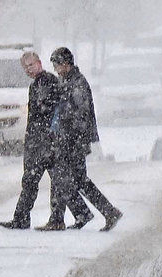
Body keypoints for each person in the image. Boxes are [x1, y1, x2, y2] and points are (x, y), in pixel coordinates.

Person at [43, 47, 123, 232]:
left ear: (66, 64)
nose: (55, 69)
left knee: (71, 179)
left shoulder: (77, 83)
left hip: (74, 141)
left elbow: (81, 114)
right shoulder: (67, 81)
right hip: (67, 139)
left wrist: (70, 133)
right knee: (72, 179)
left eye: (57, 65)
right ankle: (92, 213)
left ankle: (104, 212)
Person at [0, 50, 62, 230]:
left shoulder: (47, 82)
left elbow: (47, 110)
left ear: (39, 63)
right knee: (36, 180)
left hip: (45, 140)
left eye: (31, 65)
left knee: (45, 180)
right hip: (38, 140)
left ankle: (52, 219)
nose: (28, 69)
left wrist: (47, 134)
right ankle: (23, 218)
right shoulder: (36, 84)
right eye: (25, 67)